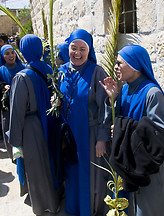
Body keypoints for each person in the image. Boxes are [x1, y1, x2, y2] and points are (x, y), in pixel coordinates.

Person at [100, 44, 164, 216]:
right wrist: (112, 99)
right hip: (129, 161)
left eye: (120, 63)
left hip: (148, 167)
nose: (115, 67)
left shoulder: (152, 93)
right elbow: (115, 122)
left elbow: (163, 135)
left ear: (135, 66)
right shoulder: (126, 88)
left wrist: (124, 131)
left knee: (149, 208)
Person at [58, 29, 111, 216]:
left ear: (89, 51)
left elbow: (105, 108)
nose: (77, 53)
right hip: (69, 136)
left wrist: (102, 139)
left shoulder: (97, 73)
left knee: (89, 176)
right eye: (73, 48)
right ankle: (73, 209)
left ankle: (90, 210)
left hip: (89, 136)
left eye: (83, 49)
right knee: (71, 174)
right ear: (68, 48)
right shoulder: (61, 72)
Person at [8, 34, 62, 216]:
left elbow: (17, 111)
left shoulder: (22, 76)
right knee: (50, 161)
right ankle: (56, 197)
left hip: (32, 126)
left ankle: (44, 205)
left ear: (23, 51)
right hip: (51, 122)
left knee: (36, 167)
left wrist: (15, 139)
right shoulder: (49, 69)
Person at [0, 44, 25, 157]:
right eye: (7, 53)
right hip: (8, 108)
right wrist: (3, 87)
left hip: (22, 106)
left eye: (12, 52)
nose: (11, 55)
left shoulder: (23, 67)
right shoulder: (1, 70)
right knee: (8, 130)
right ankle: (13, 157)